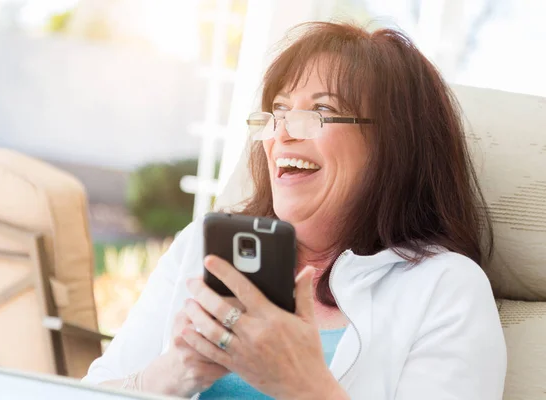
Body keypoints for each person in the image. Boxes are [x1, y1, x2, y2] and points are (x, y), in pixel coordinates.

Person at [83, 21, 507, 399]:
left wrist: (303, 385)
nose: (282, 132)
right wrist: (173, 373)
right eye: (279, 111)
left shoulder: (446, 288)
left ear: (394, 147)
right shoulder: (202, 247)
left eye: (322, 110)